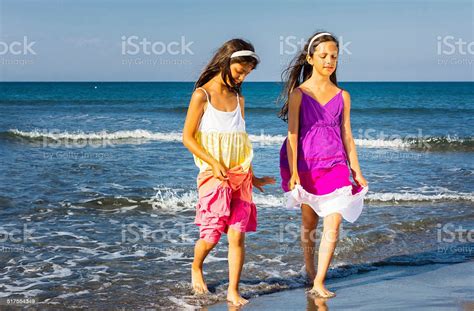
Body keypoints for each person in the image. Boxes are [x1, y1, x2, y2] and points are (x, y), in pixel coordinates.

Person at [182, 38, 276, 306]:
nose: (242, 76)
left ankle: (233, 290)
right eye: (240, 71)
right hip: (213, 175)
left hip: (240, 175)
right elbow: (187, 137)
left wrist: (253, 175)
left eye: (247, 73)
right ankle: (196, 266)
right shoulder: (202, 95)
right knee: (211, 236)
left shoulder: (238, 98)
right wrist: (212, 163)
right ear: (227, 62)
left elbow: (241, 141)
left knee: (237, 234)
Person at [279, 31, 369, 298]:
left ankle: (319, 281)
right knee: (309, 222)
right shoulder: (299, 94)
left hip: (336, 164)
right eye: (324, 56)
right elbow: (292, 133)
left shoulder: (343, 95)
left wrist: (357, 170)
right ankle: (309, 268)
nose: (330, 61)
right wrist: (294, 171)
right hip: (306, 163)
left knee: (335, 221)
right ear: (310, 58)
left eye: (334, 57)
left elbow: (347, 135)